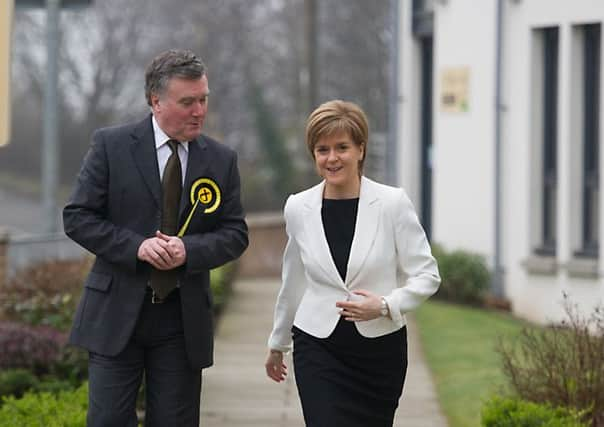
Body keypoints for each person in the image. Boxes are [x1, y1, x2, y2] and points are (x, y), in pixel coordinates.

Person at [63, 49, 248, 427]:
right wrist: (136, 246)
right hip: (115, 316)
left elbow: (235, 233)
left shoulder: (221, 159)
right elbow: (77, 217)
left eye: (203, 100)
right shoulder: (111, 146)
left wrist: (189, 250)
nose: (199, 111)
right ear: (155, 101)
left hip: (181, 323)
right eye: (187, 102)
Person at [265, 100, 440, 426]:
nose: (332, 158)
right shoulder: (298, 208)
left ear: (360, 150)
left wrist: (386, 304)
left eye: (342, 147)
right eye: (322, 149)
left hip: (379, 352)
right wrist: (278, 343)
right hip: (317, 348)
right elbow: (293, 281)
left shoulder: (392, 204)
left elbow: (427, 274)